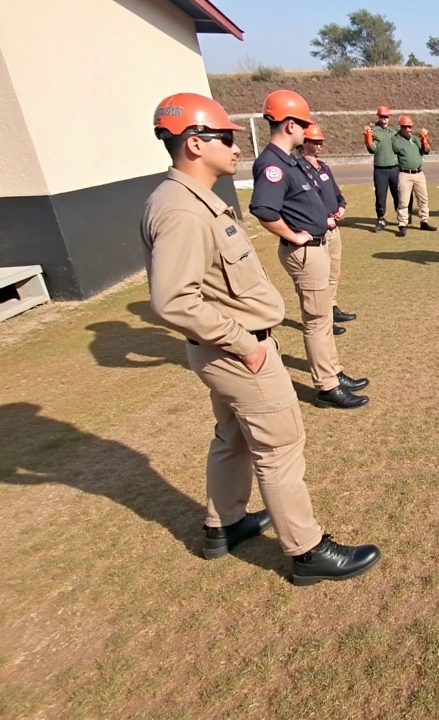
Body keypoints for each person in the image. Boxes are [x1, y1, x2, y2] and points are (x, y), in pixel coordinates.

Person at [142, 92, 380, 585]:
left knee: (232, 437)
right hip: (236, 350)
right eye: (224, 137)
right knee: (279, 447)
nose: (235, 147)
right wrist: (247, 344)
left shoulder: (189, 201)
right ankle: (307, 550)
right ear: (192, 144)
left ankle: (224, 524)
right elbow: (173, 301)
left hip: (227, 348)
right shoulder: (183, 211)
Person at [250, 89, 370, 410]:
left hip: (317, 245)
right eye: (303, 124)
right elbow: (264, 209)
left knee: (322, 318)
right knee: (317, 320)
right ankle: (327, 386)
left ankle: (333, 370)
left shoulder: (289, 162)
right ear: (289, 125)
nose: (307, 131)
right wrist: (294, 235)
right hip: (304, 251)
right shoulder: (272, 164)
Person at [297, 123, 356, 332]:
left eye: (321, 141)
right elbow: (305, 203)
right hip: (318, 230)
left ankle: (332, 306)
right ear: (304, 143)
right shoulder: (298, 169)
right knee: (319, 277)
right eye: (315, 141)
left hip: (334, 228)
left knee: (333, 272)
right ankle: (324, 317)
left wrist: (341, 207)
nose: (320, 145)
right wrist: (323, 220)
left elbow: (336, 193)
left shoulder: (323, 167)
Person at [391, 114, 436, 237]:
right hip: (405, 173)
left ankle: (424, 221)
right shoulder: (397, 139)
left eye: (410, 127)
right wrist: (410, 140)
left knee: (423, 199)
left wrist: (424, 139)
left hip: (419, 173)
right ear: (401, 127)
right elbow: (397, 149)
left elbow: (426, 151)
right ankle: (402, 224)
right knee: (404, 201)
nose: (408, 129)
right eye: (405, 127)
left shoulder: (415, 138)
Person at [364, 105, 400, 232]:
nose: (384, 119)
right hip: (380, 169)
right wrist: (367, 138)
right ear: (379, 117)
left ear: (389, 118)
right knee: (380, 195)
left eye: (386, 117)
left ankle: (402, 218)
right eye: (382, 117)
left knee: (397, 194)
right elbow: (371, 149)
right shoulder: (374, 131)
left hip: (395, 168)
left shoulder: (394, 131)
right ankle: (381, 219)